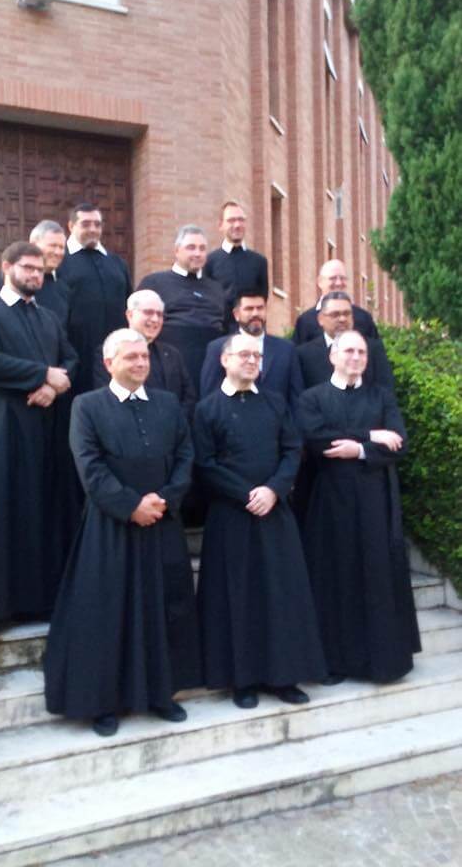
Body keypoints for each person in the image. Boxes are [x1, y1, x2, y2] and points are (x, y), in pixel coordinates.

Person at [45, 329, 201, 737]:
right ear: (109, 363)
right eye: (131, 357)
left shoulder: (168, 404)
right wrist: (131, 506)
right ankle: (104, 701)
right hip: (110, 529)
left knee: (165, 608)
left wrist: (164, 499)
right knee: (108, 612)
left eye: (144, 356)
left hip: (162, 523)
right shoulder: (86, 406)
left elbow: (185, 456)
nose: (140, 363)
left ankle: (162, 693)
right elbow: (90, 467)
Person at [194, 333, 326, 710]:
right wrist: (247, 494)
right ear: (225, 360)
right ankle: (243, 680)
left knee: (281, 596)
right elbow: (204, 463)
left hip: (275, 512)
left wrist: (273, 490)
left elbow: (292, 450)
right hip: (230, 516)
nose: (252, 361)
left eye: (257, 355)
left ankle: (284, 677)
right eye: (244, 355)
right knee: (238, 598)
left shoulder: (275, 402)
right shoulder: (207, 409)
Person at [0, 242, 78, 636]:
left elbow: (71, 359)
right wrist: (43, 374)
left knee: (38, 512)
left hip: (43, 428)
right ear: (6, 267)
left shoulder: (48, 318)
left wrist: (52, 388)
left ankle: (33, 603)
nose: (35, 275)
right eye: (27, 268)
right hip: (0, 428)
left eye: (40, 270)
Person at [298, 330, 420, 684]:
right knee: (336, 576)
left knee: (377, 574)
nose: (355, 357)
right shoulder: (312, 398)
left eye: (362, 352)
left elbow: (399, 443)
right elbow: (316, 438)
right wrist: (370, 437)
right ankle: (336, 662)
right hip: (330, 502)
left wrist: (359, 449)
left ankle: (382, 663)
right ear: (332, 356)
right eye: (349, 350)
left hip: (375, 502)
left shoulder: (382, 397)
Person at [137, 225, 225, 393]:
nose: (197, 253)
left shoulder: (216, 288)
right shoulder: (154, 282)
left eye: (202, 248)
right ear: (177, 251)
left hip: (211, 366)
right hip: (170, 365)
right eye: (191, 247)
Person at [58, 202, 132, 394]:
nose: (93, 229)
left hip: (114, 357)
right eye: (86, 224)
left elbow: (128, 306)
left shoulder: (117, 263)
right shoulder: (59, 261)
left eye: (97, 224)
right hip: (74, 356)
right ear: (71, 226)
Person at [92, 289, 196, 420]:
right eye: (148, 312)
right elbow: (107, 397)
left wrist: (172, 422)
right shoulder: (110, 351)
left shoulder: (172, 354)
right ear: (130, 315)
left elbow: (188, 397)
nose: (155, 319)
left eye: (159, 314)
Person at [200, 293, 303, 420]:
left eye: (260, 308)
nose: (255, 313)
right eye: (249, 309)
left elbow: (296, 397)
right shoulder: (217, 348)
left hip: (277, 425)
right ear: (236, 314)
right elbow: (209, 395)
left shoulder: (286, 349)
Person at [297, 292, 394, 391]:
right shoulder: (304, 354)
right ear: (320, 319)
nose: (342, 319)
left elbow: (385, 388)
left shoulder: (373, 349)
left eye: (347, 314)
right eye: (335, 314)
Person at [0, 220, 70, 326]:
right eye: (52, 246)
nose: (58, 252)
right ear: (33, 244)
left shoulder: (63, 285)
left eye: (61, 247)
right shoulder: (9, 281)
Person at [204, 201, 268, 330]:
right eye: (231, 220)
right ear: (220, 225)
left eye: (241, 220)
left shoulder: (259, 261)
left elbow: (262, 298)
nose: (237, 225)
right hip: (219, 332)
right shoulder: (209, 261)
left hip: (251, 331)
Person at [292, 258, 379, 345]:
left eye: (343, 278)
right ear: (320, 282)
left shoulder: (363, 318)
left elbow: (375, 350)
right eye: (332, 278)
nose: (338, 283)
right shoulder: (305, 321)